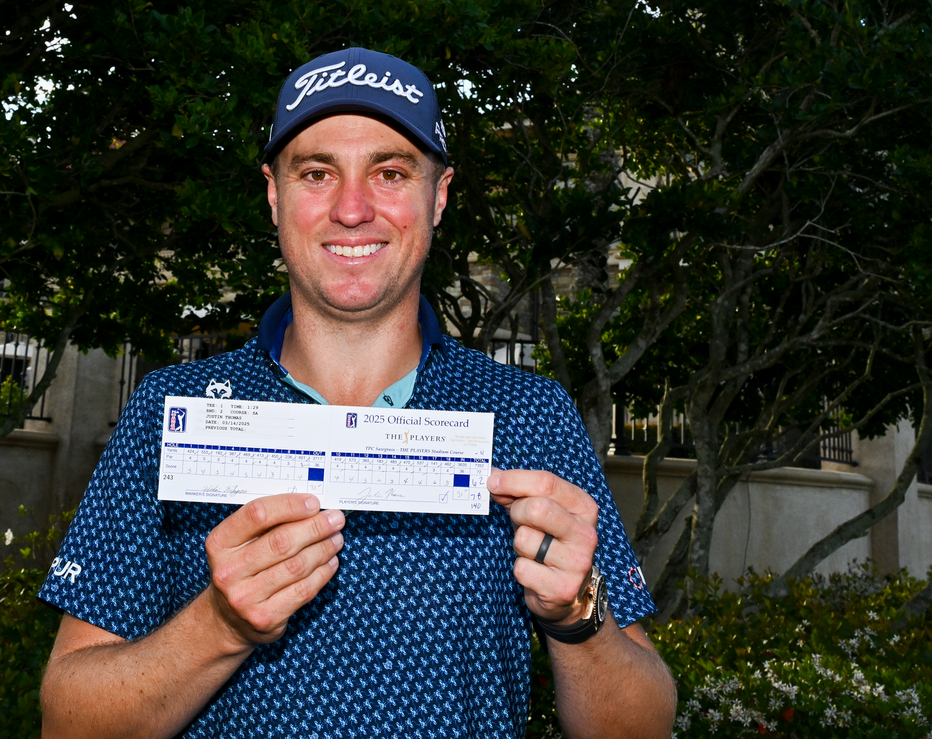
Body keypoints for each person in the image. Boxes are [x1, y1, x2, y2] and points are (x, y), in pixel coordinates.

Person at [38, 47, 676, 738]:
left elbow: (642, 724)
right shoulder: (174, 410)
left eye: (390, 171)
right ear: (275, 194)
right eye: (317, 172)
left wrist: (579, 617)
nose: (351, 209)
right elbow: (68, 720)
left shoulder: (531, 417)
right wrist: (217, 625)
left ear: (439, 195)